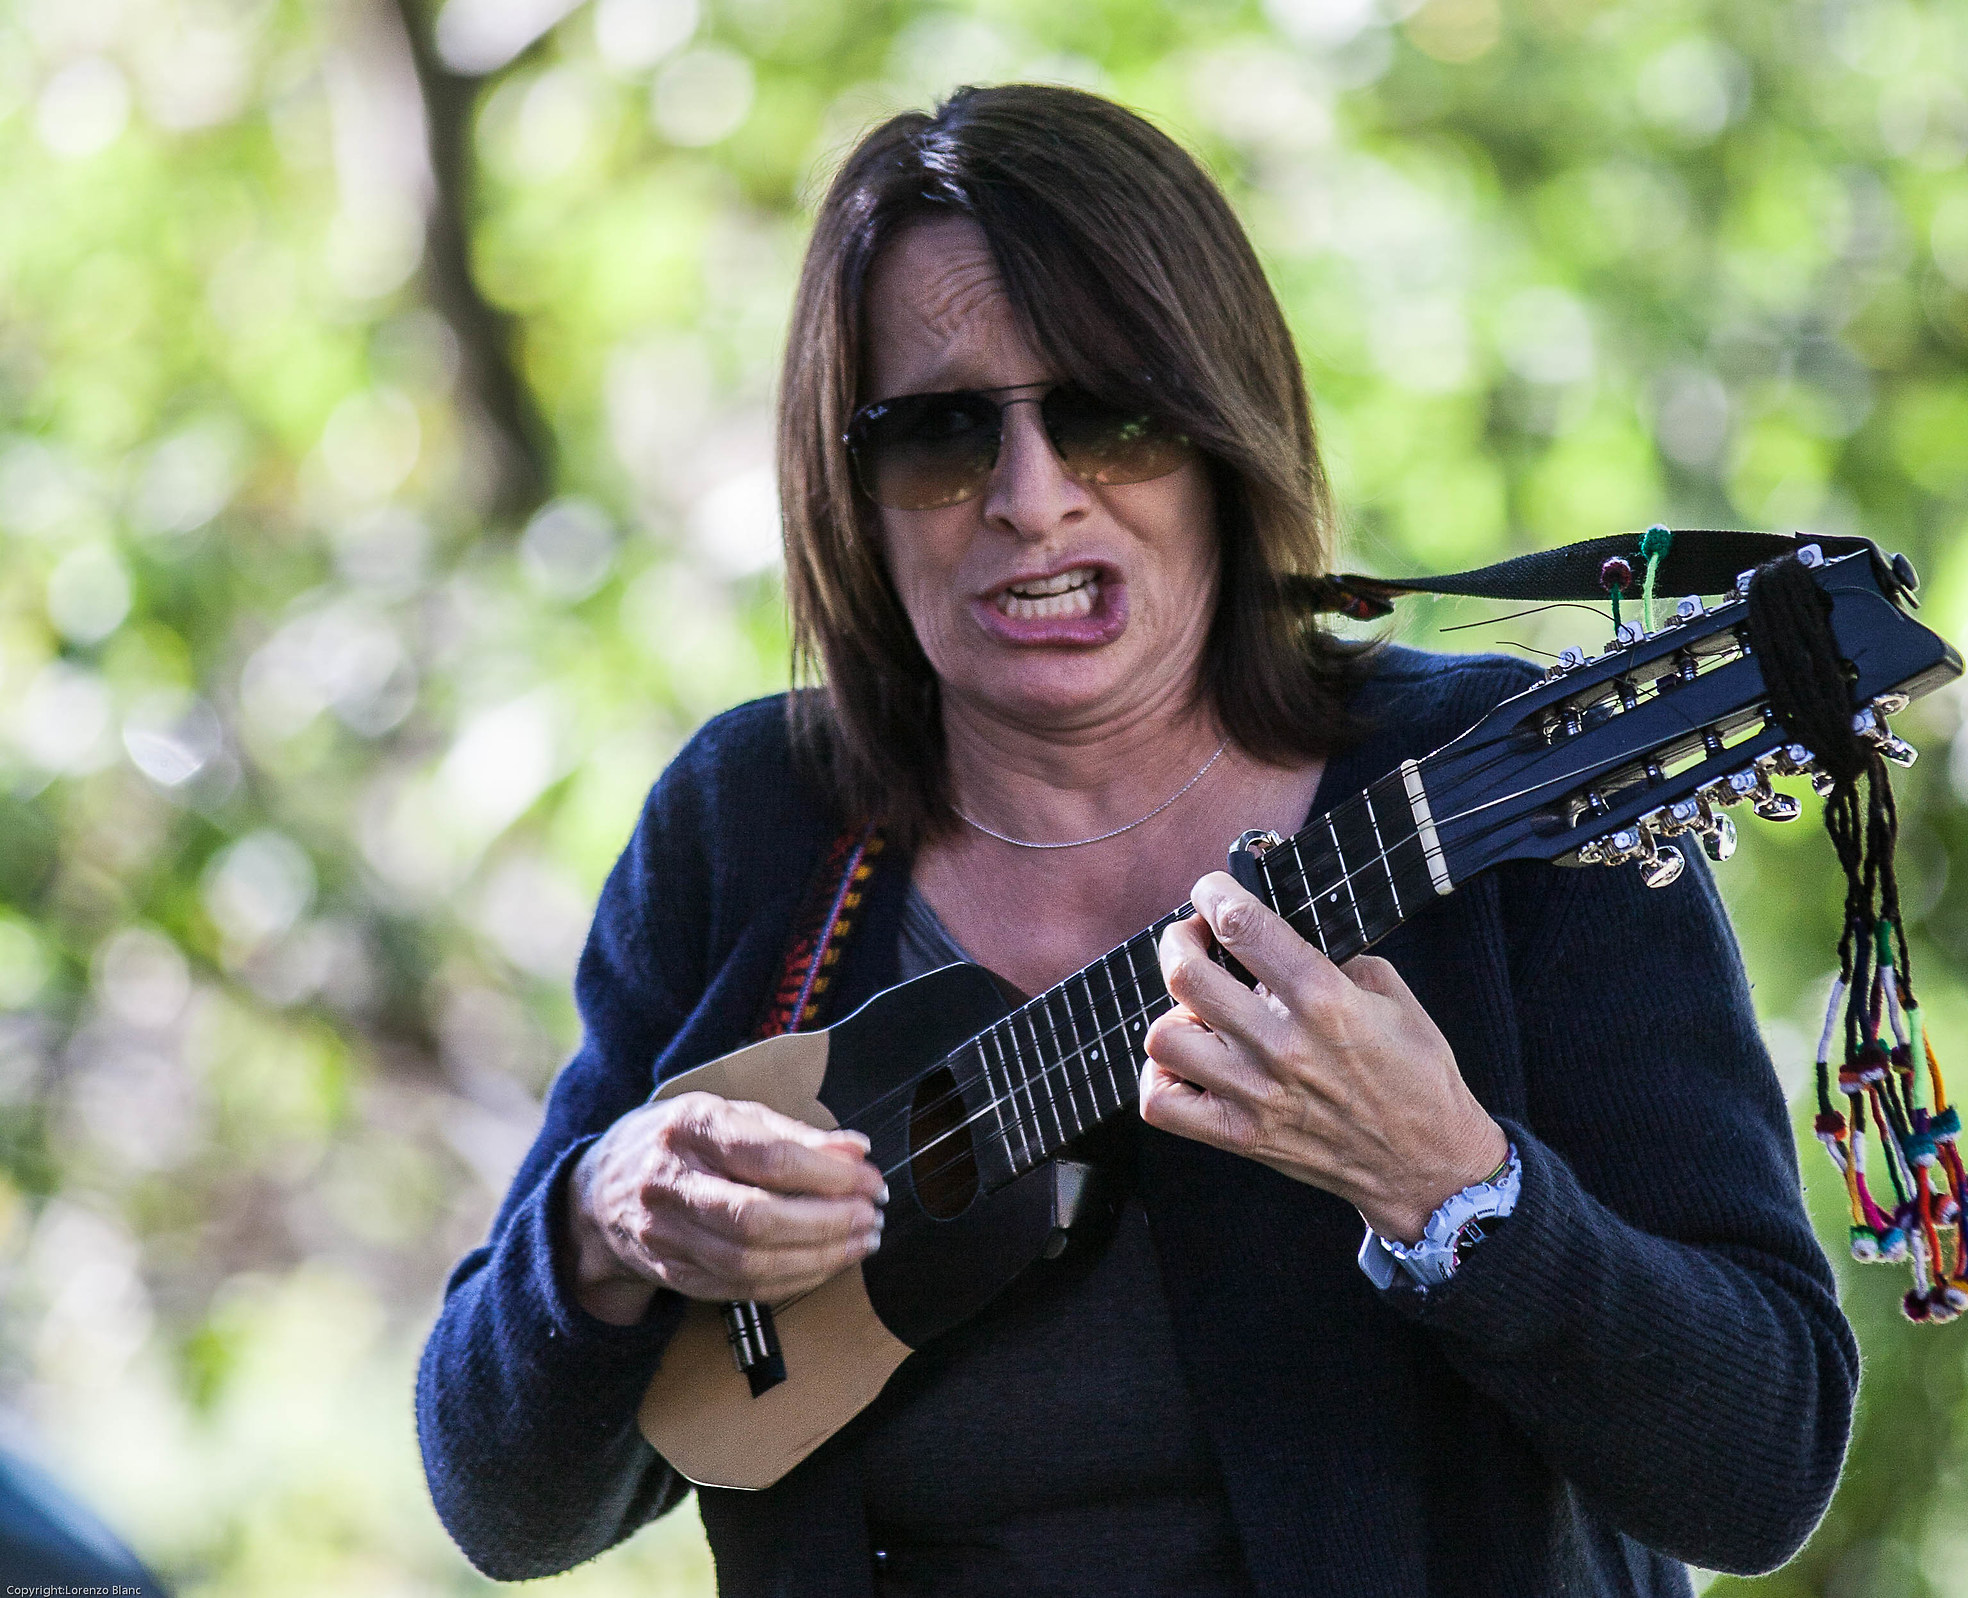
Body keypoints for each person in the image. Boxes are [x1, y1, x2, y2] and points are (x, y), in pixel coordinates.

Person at [416, 84, 1856, 1598]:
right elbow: (505, 1506)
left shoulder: (1497, 800)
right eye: (941, 436)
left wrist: (1458, 1187)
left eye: (1113, 415)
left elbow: (1762, 1466)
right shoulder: (756, 825)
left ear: (1224, 435)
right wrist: (604, 1220)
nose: (1032, 502)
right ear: (854, 489)